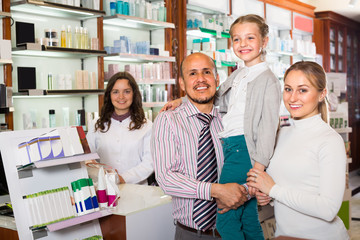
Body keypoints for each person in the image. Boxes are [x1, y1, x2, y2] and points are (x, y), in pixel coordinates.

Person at [161, 14, 281, 239]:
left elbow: (268, 127)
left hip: (242, 150)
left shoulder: (269, 80)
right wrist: (183, 100)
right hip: (233, 147)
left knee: (225, 220)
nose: (242, 44)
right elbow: (214, 96)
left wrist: (258, 170)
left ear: (264, 41)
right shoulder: (238, 75)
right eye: (236, 39)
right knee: (247, 217)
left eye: (250, 38)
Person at [247, 61, 349, 240]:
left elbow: (328, 209)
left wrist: (273, 191)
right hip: (285, 236)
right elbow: (289, 186)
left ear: (321, 94)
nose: (292, 98)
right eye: (288, 89)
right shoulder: (279, 134)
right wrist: (268, 197)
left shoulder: (330, 141)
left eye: (302, 90)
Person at [152, 52, 248, 240]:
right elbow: (166, 178)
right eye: (192, 74)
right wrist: (216, 190)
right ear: (181, 83)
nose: (201, 79)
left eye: (206, 72)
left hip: (235, 230)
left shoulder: (231, 120)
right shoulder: (169, 120)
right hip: (191, 234)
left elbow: (250, 168)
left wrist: (242, 194)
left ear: (216, 78)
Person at [87, 71, 153, 185]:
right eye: (115, 92)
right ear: (109, 95)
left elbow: (149, 163)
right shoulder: (96, 124)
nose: (121, 97)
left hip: (137, 190)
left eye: (126, 91)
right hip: (105, 189)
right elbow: (88, 157)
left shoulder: (147, 126)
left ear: (134, 94)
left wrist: (122, 178)